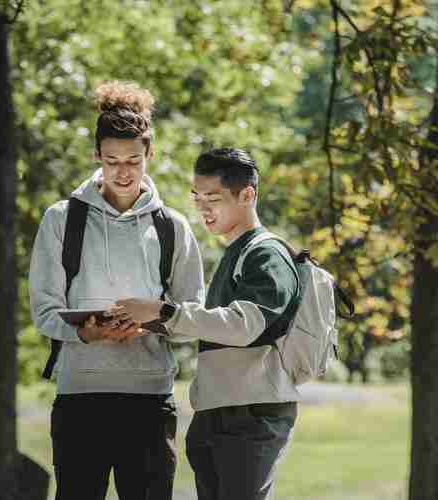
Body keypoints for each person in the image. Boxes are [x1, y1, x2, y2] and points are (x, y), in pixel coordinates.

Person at [28, 80, 205, 500]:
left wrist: (152, 322)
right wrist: (87, 332)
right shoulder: (60, 221)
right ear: (97, 157)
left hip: (148, 400)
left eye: (133, 160)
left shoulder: (172, 228)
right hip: (79, 398)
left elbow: (193, 312)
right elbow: (44, 311)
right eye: (111, 160)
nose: (122, 172)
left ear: (149, 156)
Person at [116, 147, 301, 500]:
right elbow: (212, 326)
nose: (202, 208)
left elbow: (245, 325)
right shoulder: (237, 251)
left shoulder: (266, 254)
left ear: (247, 195)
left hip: (251, 414)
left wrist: (164, 311)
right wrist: (147, 322)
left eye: (213, 198)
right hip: (219, 411)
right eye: (197, 198)